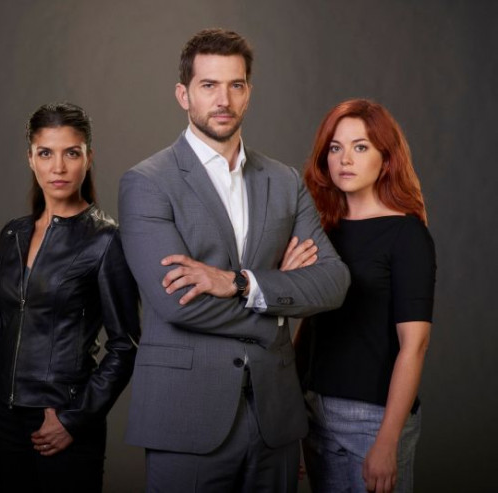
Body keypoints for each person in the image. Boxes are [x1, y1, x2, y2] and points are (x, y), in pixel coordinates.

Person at [118, 28, 351, 492]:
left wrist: (240, 284)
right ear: (183, 94)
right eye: (208, 85)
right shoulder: (147, 182)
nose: (223, 100)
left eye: (235, 85)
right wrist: (277, 307)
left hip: (275, 419)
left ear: (249, 92)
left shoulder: (284, 181)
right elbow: (177, 303)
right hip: (186, 418)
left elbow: (334, 281)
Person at [0, 102, 140, 492]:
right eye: (46, 153)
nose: (58, 167)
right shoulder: (12, 235)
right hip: (3, 421)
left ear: (88, 158)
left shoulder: (105, 241)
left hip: (61, 420)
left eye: (71, 153)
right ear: (30, 158)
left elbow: (125, 346)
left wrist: (74, 419)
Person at [296, 99, 436, 493]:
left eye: (360, 147)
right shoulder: (323, 231)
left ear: (385, 159)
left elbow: (415, 345)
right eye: (335, 148)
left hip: (374, 418)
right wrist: (291, 415)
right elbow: (309, 327)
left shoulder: (406, 234)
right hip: (314, 410)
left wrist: (387, 441)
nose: (345, 159)